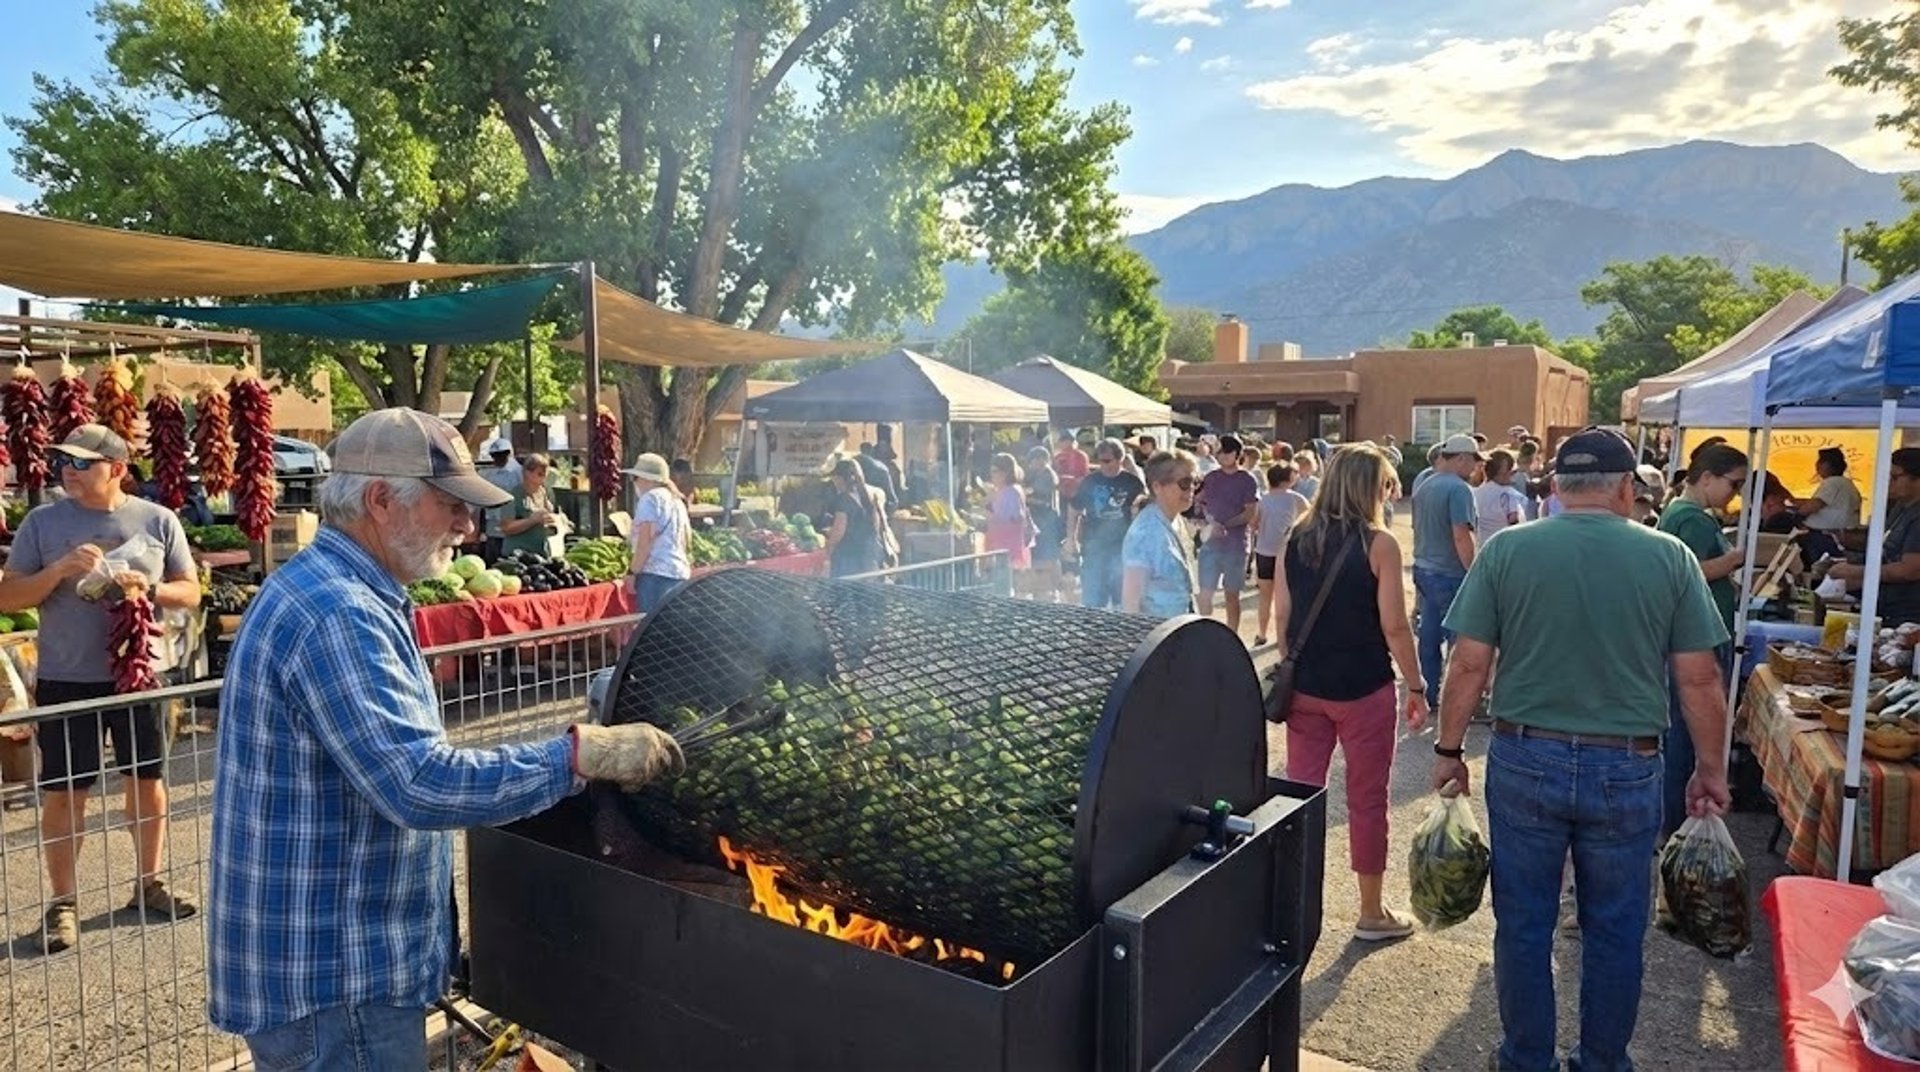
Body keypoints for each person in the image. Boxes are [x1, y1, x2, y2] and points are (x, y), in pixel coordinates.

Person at [207, 407, 685, 1069]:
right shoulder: (338, 611)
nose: (467, 526)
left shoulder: (346, 589)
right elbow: (418, 783)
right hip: (337, 982)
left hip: (336, 969)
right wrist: (579, 755)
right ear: (380, 500)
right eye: (450, 505)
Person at [1430, 427, 1731, 1072]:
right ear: (1625, 488)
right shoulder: (1670, 555)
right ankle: (1601, 1061)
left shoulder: (1508, 549)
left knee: (1523, 925)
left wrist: (1448, 748)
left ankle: (1525, 1059)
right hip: (1627, 764)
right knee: (1615, 930)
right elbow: (1700, 679)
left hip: (1525, 757)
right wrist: (1710, 769)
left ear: (1559, 488)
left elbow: (1468, 664)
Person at [0, 424, 201, 954]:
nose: (68, 470)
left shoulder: (158, 519)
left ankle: (149, 883)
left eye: (82, 462)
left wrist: (148, 587)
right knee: (66, 791)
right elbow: (8, 596)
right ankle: (63, 902)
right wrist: (59, 570)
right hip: (68, 678)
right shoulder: (43, 523)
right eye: (64, 460)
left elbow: (190, 592)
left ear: (117, 468)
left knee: (146, 781)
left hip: (140, 677)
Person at [1274, 445, 1427, 940]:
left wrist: (1292, 668)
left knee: (1300, 796)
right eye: (1386, 485)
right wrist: (1417, 684)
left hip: (1306, 687)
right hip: (1364, 687)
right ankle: (1370, 911)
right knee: (1367, 800)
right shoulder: (1379, 544)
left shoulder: (1295, 537)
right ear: (1370, 488)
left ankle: (1291, 906)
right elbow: (1395, 626)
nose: (1389, 494)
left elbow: (1282, 615)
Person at [1656, 443, 1747, 839]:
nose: (1735, 494)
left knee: (1678, 729)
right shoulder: (1692, 518)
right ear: (1707, 477)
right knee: (1686, 731)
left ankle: (1673, 817)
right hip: (1698, 634)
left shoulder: (1682, 511)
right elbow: (1687, 570)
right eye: (1734, 484)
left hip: (1690, 631)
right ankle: (1677, 821)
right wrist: (1732, 560)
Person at [1409, 434, 1482, 700]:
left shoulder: (1425, 484)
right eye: (1473, 460)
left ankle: (1429, 691)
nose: (1475, 466)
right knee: (1460, 638)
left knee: (1429, 634)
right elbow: (1461, 535)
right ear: (1461, 458)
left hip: (1423, 568)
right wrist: (1474, 572)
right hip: (1448, 572)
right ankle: (1458, 695)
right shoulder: (1459, 489)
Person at [1830, 447, 1920, 626]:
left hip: (1908, 614)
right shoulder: (1899, 509)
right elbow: (1885, 550)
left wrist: (1858, 572)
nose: (1889, 483)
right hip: (1885, 606)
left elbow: (1910, 570)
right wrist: (1850, 565)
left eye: (1895, 477)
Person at [1066, 439, 1145, 610]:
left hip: (1122, 548)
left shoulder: (1132, 482)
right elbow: (1074, 508)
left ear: (1120, 459)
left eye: (1108, 461)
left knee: (1122, 599)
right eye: (1100, 460)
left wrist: (1134, 468)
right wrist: (1071, 539)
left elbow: (1145, 504)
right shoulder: (1090, 481)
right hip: (1093, 547)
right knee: (1092, 599)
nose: (1103, 465)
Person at [1121, 450, 1199, 618]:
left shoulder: (1177, 521)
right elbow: (1131, 600)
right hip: (1156, 629)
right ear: (1157, 487)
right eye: (1185, 483)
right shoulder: (1144, 533)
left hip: (1179, 625)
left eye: (1194, 482)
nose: (1191, 489)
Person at [1195, 435, 1261, 632]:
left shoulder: (1247, 479)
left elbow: (1250, 513)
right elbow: (1200, 502)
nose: (1223, 456)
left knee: (1231, 596)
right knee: (1204, 594)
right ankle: (1203, 633)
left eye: (1227, 452)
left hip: (1236, 544)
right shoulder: (1211, 477)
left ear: (1237, 454)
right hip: (1210, 543)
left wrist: (1224, 525)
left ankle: (1232, 635)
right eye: (1220, 452)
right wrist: (1210, 521)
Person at [1251, 461, 1310, 646]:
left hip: (1264, 551)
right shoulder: (1296, 499)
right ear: (1289, 478)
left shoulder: (1263, 499)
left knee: (1265, 596)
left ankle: (1262, 633)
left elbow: (1254, 524)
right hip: (1287, 552)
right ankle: (1283, 635)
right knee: (1286, 597)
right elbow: (1310, 519)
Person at [625, 452, 691, 612]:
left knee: (651, 625)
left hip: (655, 577)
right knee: (670, 625)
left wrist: (632, 572)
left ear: (647, 479)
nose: (635, 482)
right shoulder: (676, 500)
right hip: (678, 574)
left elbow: (645, 541)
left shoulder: (650, 499)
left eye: (636, 477)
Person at [1793, 447, 1862, 563]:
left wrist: (1797, 515)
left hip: (1825, 536)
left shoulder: (1833, 482)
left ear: (1828, 465)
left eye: (1820, 462)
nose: (1817, 466)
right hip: (1840, 534)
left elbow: (1815, 505)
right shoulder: (1845, 483)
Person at [824, 458, 888, 579]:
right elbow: (876, 525)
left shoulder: (842, 500)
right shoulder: (867, 497)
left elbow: (839, 531)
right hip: (866, 555)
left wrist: (828, 546)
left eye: (835, 479)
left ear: (841, 479)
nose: (834, 482)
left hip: (847, 557)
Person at [498, 453, 560, 558]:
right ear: (527, 472)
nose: (544, 478)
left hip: (541, 553)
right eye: (540, 474)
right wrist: (532, 520)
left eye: (546, 474)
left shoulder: (547, 492)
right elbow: (505, 527)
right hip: (518, 554)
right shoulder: (513, 495)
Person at [1024, 447, 1064, 601]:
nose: (1031, 464)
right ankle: (1048, 589)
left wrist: (1025, 498)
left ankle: (1052, 589)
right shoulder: (1039, 475)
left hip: (1047, 519)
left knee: (1049, 556)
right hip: (1043, 519)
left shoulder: (1047, 476)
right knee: (1047, 555)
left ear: (1041, 459)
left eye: (1033, 460)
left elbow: (1042, 500)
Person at [983, 453, 1033, 575]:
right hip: (1003, 547)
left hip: (1007, 549)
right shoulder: (1005, 490)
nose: (992, 475)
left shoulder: (1011, 492)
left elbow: (1012, 519)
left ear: (1005, 472)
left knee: (1006, 580)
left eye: (995, 471)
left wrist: (987, 510)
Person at [1473, 449, 1527, 546]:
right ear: (1504, 472)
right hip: (1504, 546)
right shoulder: (1510, 495)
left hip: (1481, 546)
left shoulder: (1474, 493)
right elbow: (1514, 521)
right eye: (1512, 472)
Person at [480, 438, 520, 561]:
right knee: (492, 559)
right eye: (494, 455)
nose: (497, 459)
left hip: (512, 524)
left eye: (500, 455)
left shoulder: (519, 473)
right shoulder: (491, 474)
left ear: (508, 454)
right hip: (492, 523)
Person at [1053, 432, 1090, 505]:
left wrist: (1074, 481)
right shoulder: (1057, 456)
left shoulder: (1081, 455)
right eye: (1061, 441)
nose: (1062, 443)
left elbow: (1085, 475)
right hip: (1062, 491)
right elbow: (1055, 473)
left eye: (1065, 440)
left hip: (1077, 491)